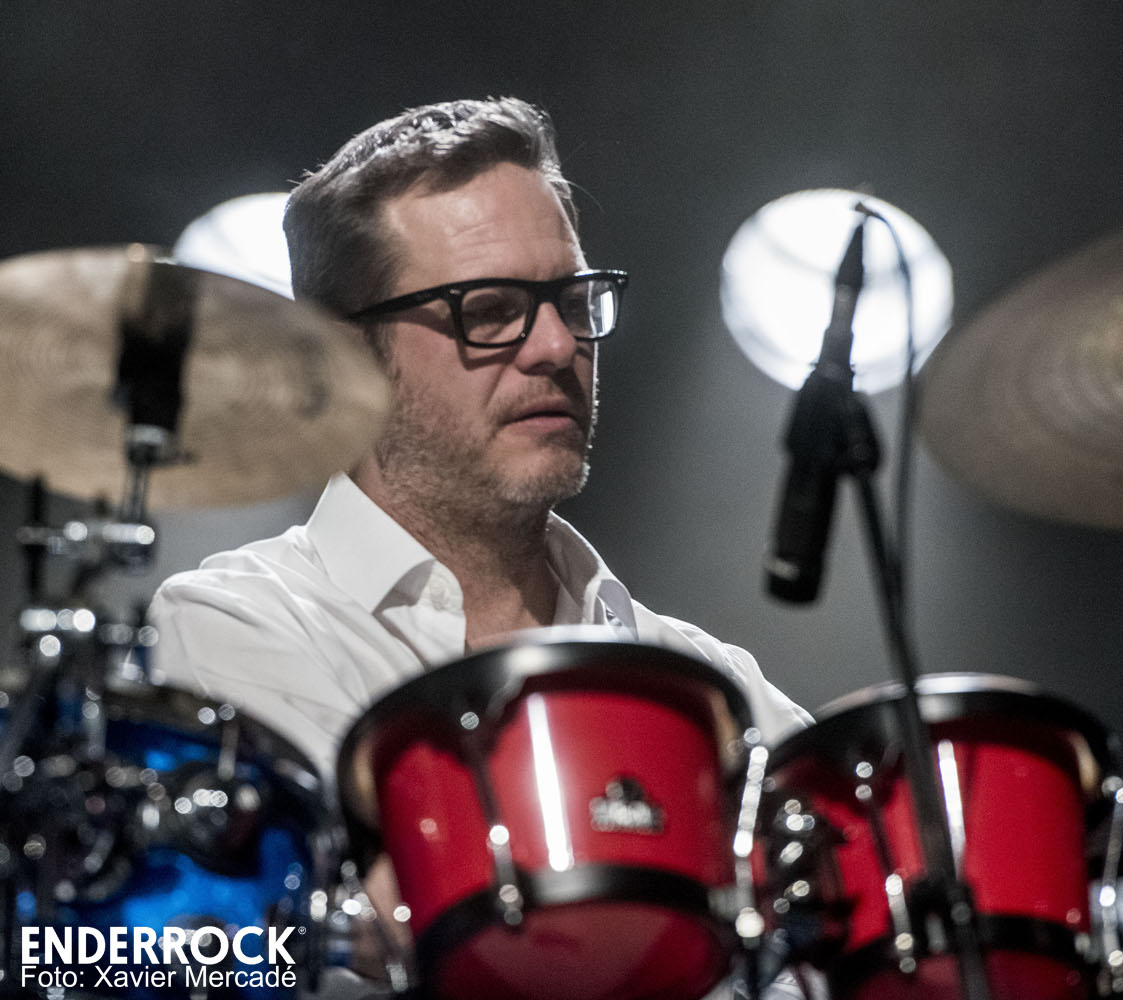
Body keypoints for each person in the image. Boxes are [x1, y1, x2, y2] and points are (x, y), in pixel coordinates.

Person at [147, 97, 810, 997]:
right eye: (488, 310)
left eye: (572, 300)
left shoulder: (709, 680)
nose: (557, 346)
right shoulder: (237, 624)